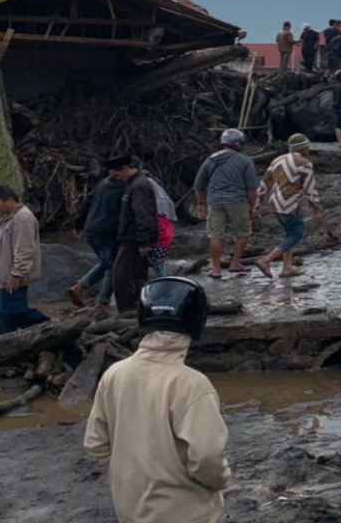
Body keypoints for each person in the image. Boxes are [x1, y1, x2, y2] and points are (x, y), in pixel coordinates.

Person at [85, 276, 231, 523]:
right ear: (196, 322)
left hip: (130, 509)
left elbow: (96, 444)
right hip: (185, 513)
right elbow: (207, 458)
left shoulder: (114, 374)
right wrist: (220, 480)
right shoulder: (192, 384)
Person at [255, 134, 325, 279]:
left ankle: (287, 268)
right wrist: (317, 209)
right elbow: (310, 189)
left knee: (288, 234)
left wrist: (258, 202)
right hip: (290, 204)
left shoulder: (277, 159)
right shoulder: (304, 163)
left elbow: (265, 182)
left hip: (275, 202)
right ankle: (266, 260)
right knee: (296, 234)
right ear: (304, 147)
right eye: (308, 147)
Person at [194, 129, 259, 279]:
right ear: (238, 143)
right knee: (242, 233)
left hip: (214, 201)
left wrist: (200, 204)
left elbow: (198, 185)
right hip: (238, 201)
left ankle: (216, 269)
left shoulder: (211, 159)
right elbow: (251, 189)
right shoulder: (245, 160)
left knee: (215, 235)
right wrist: (252, 206)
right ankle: (235, 263)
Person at [68, 157, 127, 316]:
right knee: (114, 266)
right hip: (107, 232)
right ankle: (102, 303)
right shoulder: (122, 187)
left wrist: (78, 224)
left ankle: (79, 287)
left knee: (107, 262)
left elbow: (87, 202)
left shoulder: (102, 184)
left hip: (92, 230)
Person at [0, 185, 48, 335]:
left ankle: (47, 326)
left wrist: (17, 274)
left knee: (13, 312)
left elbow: (25, 250)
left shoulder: (23, 218)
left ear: (9, 200)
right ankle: (4, 347)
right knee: (0, 314)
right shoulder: (6, 218)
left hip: (12, 278)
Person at [112, 157, 159, 314]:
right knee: (134, 275)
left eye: (118, 174)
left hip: (135, 239)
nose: (117, 178)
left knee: (121, 276)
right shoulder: (132, 184)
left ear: (125, 168)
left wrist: (144, 242)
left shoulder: (139, 186)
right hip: (131, 237)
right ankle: (137, 308)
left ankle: (128, 310)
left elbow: (143, 215)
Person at [147, 176, 178, 279]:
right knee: (159, 265)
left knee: (158, 267)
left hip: (160, 241)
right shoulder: (164, 209)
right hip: (164, 240)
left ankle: (164, 284)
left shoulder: (155, 215)